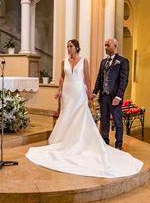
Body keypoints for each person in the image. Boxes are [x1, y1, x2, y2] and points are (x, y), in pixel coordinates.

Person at [26, 39, 142, 178]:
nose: (68, 48)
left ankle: (118, 144)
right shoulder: (92, 62)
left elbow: (99, 78)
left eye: (71, 46)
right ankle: (99, 140)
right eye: (67, 46)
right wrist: (64, 91)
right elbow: (70, 78)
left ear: (77, 48)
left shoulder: (117, 61)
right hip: (74, 94)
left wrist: (99, 94)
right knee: (94, 119)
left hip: (91, 94)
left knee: (113, 120)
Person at [93, 38, 129, 149]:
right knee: (104, 121)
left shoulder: (123, 61)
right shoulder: (103, 62)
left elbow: (124, 80)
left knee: (117, 122)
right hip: (104, 96)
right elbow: (99, 78)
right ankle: (105, 142)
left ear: (115, 46)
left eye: (108, 45)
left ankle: (119, 144)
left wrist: (119, 96)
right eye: (105, 45)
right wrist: (95, 92)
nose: (105, 47)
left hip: (115, 97)